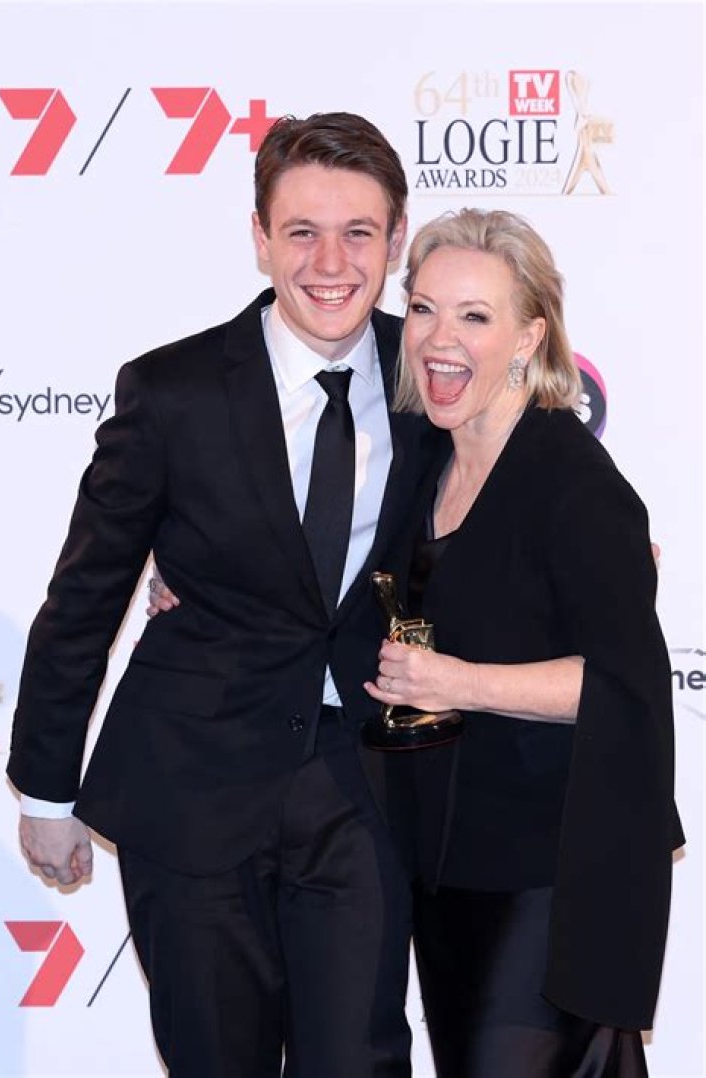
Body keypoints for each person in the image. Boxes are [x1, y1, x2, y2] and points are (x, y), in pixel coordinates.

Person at [7, 112, 449, 1078]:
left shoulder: (435, 383)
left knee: (359, 1060)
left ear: (396, 239)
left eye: (358, 232)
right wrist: (45, 789)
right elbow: (85, 594)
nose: (330, 263)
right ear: (259, 237)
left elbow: (499, 532)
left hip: (363, 785)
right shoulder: (173, 390)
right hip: (191, 781)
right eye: (301, 231)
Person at [359, 207, 682, 1076]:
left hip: (547, 874)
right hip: (447, 866)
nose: (439, 339)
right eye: (423, 309)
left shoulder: (570, 480)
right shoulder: (425, 460)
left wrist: (458, 681)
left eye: (475, 316)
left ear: (529, 337)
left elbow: (620, 683)